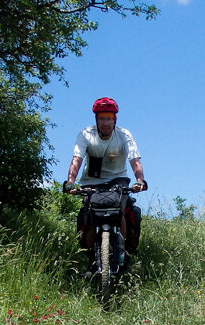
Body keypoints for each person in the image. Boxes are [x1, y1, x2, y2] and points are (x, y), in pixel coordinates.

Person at [63, 97, 147, 256]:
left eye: (109, 118)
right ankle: (90, 257)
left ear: (114, 120)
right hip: (91, 182)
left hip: (118, 179)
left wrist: (140, 181)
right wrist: (70, 182)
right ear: (96, 119)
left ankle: (123, 251)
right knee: (88, 217)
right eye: (102, 118)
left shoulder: (124, 135)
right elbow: (76, 160)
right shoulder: (86, 134)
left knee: (122, 210)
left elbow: (135, 161)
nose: (105, 123)